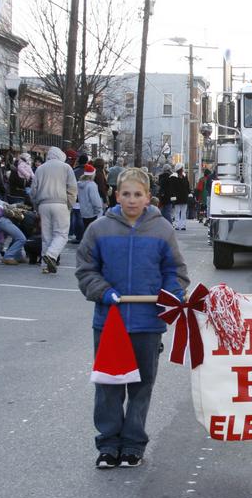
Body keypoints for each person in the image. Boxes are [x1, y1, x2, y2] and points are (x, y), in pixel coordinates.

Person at [75, 167, 190, 469]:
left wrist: (172, 294)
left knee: (141, 385)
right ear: (116, 196)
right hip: (109, 322)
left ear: (148, 197)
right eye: (126, 194)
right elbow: (86, 269)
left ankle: (133, 444)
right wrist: (102, 291)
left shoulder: (161, 230)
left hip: (147, 322)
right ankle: (109, 444)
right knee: (109, 386)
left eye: (138, 194)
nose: (132, 200)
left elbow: (174, 271)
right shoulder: (99, 229)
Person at [30, 146, 78, 274]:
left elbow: (33, 190)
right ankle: (51, 255)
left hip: (43, 204)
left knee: (47, 236)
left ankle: (44, 265)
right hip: (61, 203)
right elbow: (72, 188)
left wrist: (36, 206)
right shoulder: (66, 168)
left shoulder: (40, 169)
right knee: (61, 234)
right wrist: (70, 204)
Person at [78, 164, 104, 236]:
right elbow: (95, 199)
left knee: (87, 231)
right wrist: (99, 209)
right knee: (93, 233)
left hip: (83, 211)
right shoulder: (92, 185)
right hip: (92, 212)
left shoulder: (80, 184)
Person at [171, 165, 192, 230]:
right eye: (182, 168)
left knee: (183, 212)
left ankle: (183, 225)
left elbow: (187, 185)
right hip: (177, 197)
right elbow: (172, 188)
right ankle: (177, 225)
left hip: (184, 196)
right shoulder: (173, 177)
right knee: (177, 212)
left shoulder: (184, 176)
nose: (183, 169)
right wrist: (173, 195)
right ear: (179, 169)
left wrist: (189, 193)